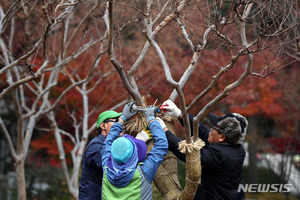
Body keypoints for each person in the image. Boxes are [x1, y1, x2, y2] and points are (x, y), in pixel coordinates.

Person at [158, 100, 248, 200]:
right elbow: (202, 131)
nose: (210, 129)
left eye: (213, 127)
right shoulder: (236, 148)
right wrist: (180, 115)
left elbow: (189, 154)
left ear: (222, 137)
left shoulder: (220, 156)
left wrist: (165, 131)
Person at [101, 103, 168, 200]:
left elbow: (107, 143)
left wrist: (122, 118)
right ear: (135, 154)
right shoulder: (144, 172)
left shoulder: (106, 168)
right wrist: (152, 120)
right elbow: (162, 145)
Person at [79, 110, 123, 200]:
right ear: (103, 126)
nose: (121, 124)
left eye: (122, 121)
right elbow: (113, 165)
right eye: (117, 121)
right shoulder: (95, 146)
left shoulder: (114, 145)